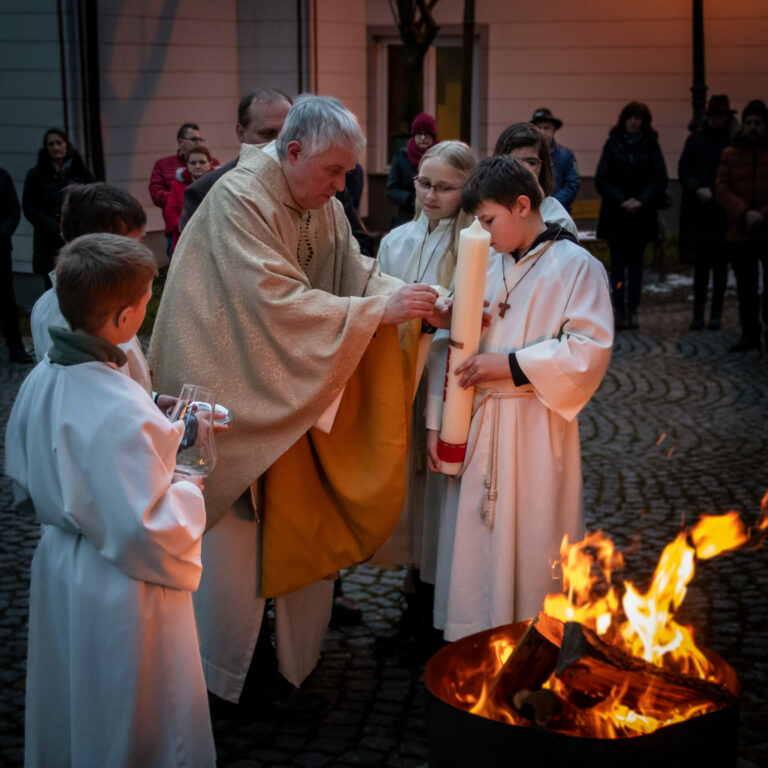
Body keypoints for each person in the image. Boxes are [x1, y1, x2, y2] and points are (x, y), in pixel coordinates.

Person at [148, 95, 445, 719]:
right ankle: (221, 682)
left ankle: (282, 666)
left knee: (287, 530)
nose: (342, 186)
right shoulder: (238, 199)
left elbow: (355, 275)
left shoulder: (323, 203)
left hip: (279, 388)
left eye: (346, 174)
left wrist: (411, 297)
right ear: (292, 151)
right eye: (334, 172)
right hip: (228, 396)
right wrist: (372, 313)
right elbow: (271, 300)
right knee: (234, 551)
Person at [5, 233, 215, 767]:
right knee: (131, 708)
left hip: (60, 565)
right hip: (119, 586)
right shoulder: (119, 405)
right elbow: (145, 529)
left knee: (75, 696)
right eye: (147, 301)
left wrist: (167, 434)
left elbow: (27, 484)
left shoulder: (42, 377)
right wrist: (189, 490)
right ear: (126, 318)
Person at [426, 156, 614, 641]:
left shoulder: (576, 268)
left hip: (535, 427)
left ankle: (534, 648)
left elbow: (588, 349)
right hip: (477, 423)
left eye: (488, 221)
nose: (483, 234)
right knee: (474, 546)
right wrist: (436, 422)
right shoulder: (482, 264)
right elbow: (452, 346)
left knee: (532, 541)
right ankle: (473, 647)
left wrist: (510, 366)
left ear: (523, 205)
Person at [372, 140, 477, 660]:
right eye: (423, 183)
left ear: (467, 190)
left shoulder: (477, 245)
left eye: (444, 187)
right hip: (399, 380)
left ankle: (437, 609)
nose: (431, 195)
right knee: (409, 494)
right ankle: (411, 599)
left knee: (438, 497)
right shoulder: (395, 240)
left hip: (443, 384)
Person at [30, 183, 153, 397]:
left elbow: (123, 386)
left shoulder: (106, 301)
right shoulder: (80, 321)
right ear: (96, 249)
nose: (141, 253)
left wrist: (154, 399)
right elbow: (99, 402)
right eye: (130, 245)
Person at [595, 101, 668, 331]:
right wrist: (622, 200)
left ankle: (633, 309)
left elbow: (659, 178)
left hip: (641, 216)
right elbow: (602, 178)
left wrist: (641, 200)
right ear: (624, 119)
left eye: (639, 118)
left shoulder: (651, 145)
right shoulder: (613, 144)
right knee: (617, 267)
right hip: (617, 215)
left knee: (636, 267)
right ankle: (619, 311)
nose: (634, 122)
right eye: (631, 117)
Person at [179, 88, 293, 232]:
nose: (278, 143)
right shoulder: (204, 191)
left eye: (286, 134)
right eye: (267, 134)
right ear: (241, 133)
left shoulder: (315, 186)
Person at [679, 94, 737, 331]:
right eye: (712, 116)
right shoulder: (695, 140)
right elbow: (684, 167)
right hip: (699, 212)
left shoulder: (731, 142)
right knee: (701, 268)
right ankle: (698, 314)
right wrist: (696, 188)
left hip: (722, 213)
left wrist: (718, 192)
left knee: (720, 267)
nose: (715, 121)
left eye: (719, 116)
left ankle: (715, 314)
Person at [715, 99, 768, 351]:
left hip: (765, 229)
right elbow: (722, 188)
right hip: (740, 230)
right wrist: (744, 212)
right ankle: (749, 332)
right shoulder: (731, 154)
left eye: (758, 123)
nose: (753, 127)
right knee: (746, 288)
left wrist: (762, 214)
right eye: (748, 123)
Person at [22, 127, 93, 289]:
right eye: (51, 144)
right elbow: (30, 208)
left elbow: (93, 199)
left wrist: (78, 226)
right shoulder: (36, 175)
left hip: (77, 238)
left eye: (59, 143)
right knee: (53, 287)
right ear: (46, 148)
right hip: (48, 242)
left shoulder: (80, 171)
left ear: (66, 145)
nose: (56, 147)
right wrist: (56, 227)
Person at [493, 122, 579, 238]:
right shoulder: (488, 213)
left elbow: (572, 184)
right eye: (513, 162)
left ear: (544, 167)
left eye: (531, 162)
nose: (523, 170)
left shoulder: (557, 221)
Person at [148, 122, 219, 256]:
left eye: (200, 139)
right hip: (178, 232)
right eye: (193, 139)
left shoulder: (213, 162)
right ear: (180, 141)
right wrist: (180, 197)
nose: (198, 143)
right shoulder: (163, 165)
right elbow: (156, 194)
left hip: (209, 233)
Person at [1, 167, 32, 364]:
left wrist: (2, 233)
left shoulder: (3, 177)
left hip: (1, 248)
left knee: (6, 300)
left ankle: (16, 347)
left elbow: (13, 210)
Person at [387, 112, 437, 226]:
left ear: (433, 136)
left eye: (427, 134)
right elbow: (391, 191)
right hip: (407, 219)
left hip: (434, 219)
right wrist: (411, 198)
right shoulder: (401, 158)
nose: (423, 138)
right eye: (419, 134)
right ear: (414, 136)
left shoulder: (441, 157)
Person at [530, 107, 580, 211]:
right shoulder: (527, 154)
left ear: (554, 130)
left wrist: (553, 204)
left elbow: (572, 184)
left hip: (558, 210)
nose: (543, 131)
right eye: (539, 127)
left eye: (546, 128)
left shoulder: (566, 154)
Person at [164, 145, 213, 251]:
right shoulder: (176, 185)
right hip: (184, 239)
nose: (198, 166)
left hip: (211, 239)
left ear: (210, 164)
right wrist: (186, 228)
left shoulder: (219, 183)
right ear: (187, 165)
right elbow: (170, 212)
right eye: (193, 163)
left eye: (202, 162)